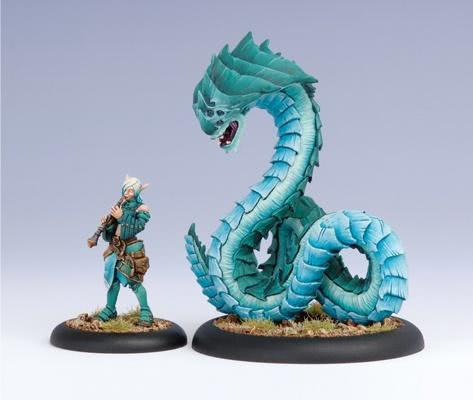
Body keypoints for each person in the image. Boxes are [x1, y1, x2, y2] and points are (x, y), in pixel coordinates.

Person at [96, 175, 154, 326]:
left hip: (131, 249)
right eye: (125, 190)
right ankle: (110, 309)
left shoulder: (141, 208)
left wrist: (121, 217)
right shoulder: (121, 205)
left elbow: (137, 227)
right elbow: (113, 231)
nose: (127, 193)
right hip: (116, 248)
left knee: (135, 282)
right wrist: (108, 224)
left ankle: (146, 312)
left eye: (131, 190)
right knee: (113, 281)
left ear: (136, 191)